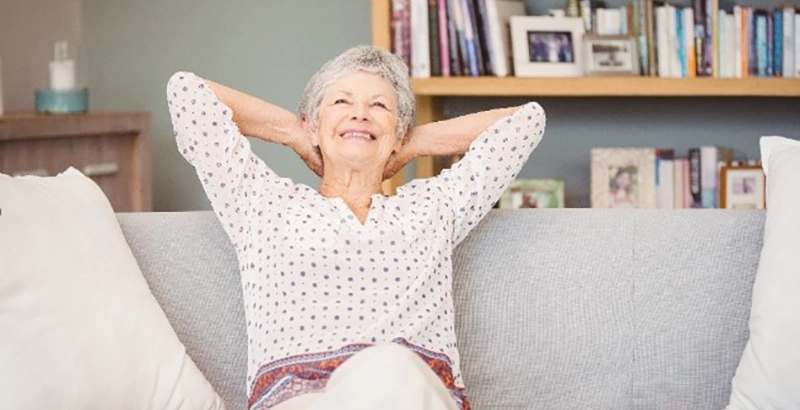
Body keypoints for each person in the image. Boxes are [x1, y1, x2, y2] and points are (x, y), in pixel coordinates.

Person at [167, 45, 546, 410]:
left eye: (379, 106)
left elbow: (526, 122)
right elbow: (186, 92)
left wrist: (410, 143)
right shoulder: (263, 204)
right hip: (303, 400)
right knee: (386, 368)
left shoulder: (433, 208)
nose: (360, 114)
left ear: (399, 133)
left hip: (412, 391)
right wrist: (296, 132)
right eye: (342, 102)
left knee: (390, 368)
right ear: (314, 123)